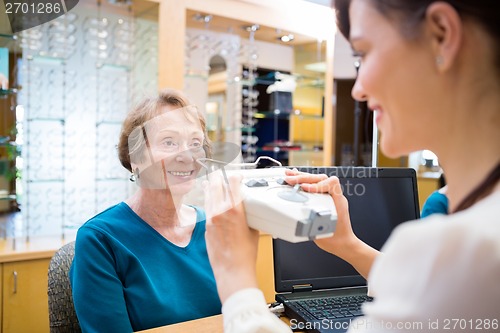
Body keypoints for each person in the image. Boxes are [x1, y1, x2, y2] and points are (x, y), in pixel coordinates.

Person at [204, 0, 500, 332]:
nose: (357, 90)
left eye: (362, 54)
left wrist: (236, 283)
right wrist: (347, 245)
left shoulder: (465, 251)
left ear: (441, 35)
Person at [70, 89, 222, 332]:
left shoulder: (215, 227)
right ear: (136, 158)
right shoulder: (100, 240)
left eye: (195, 143)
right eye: (169, 142)